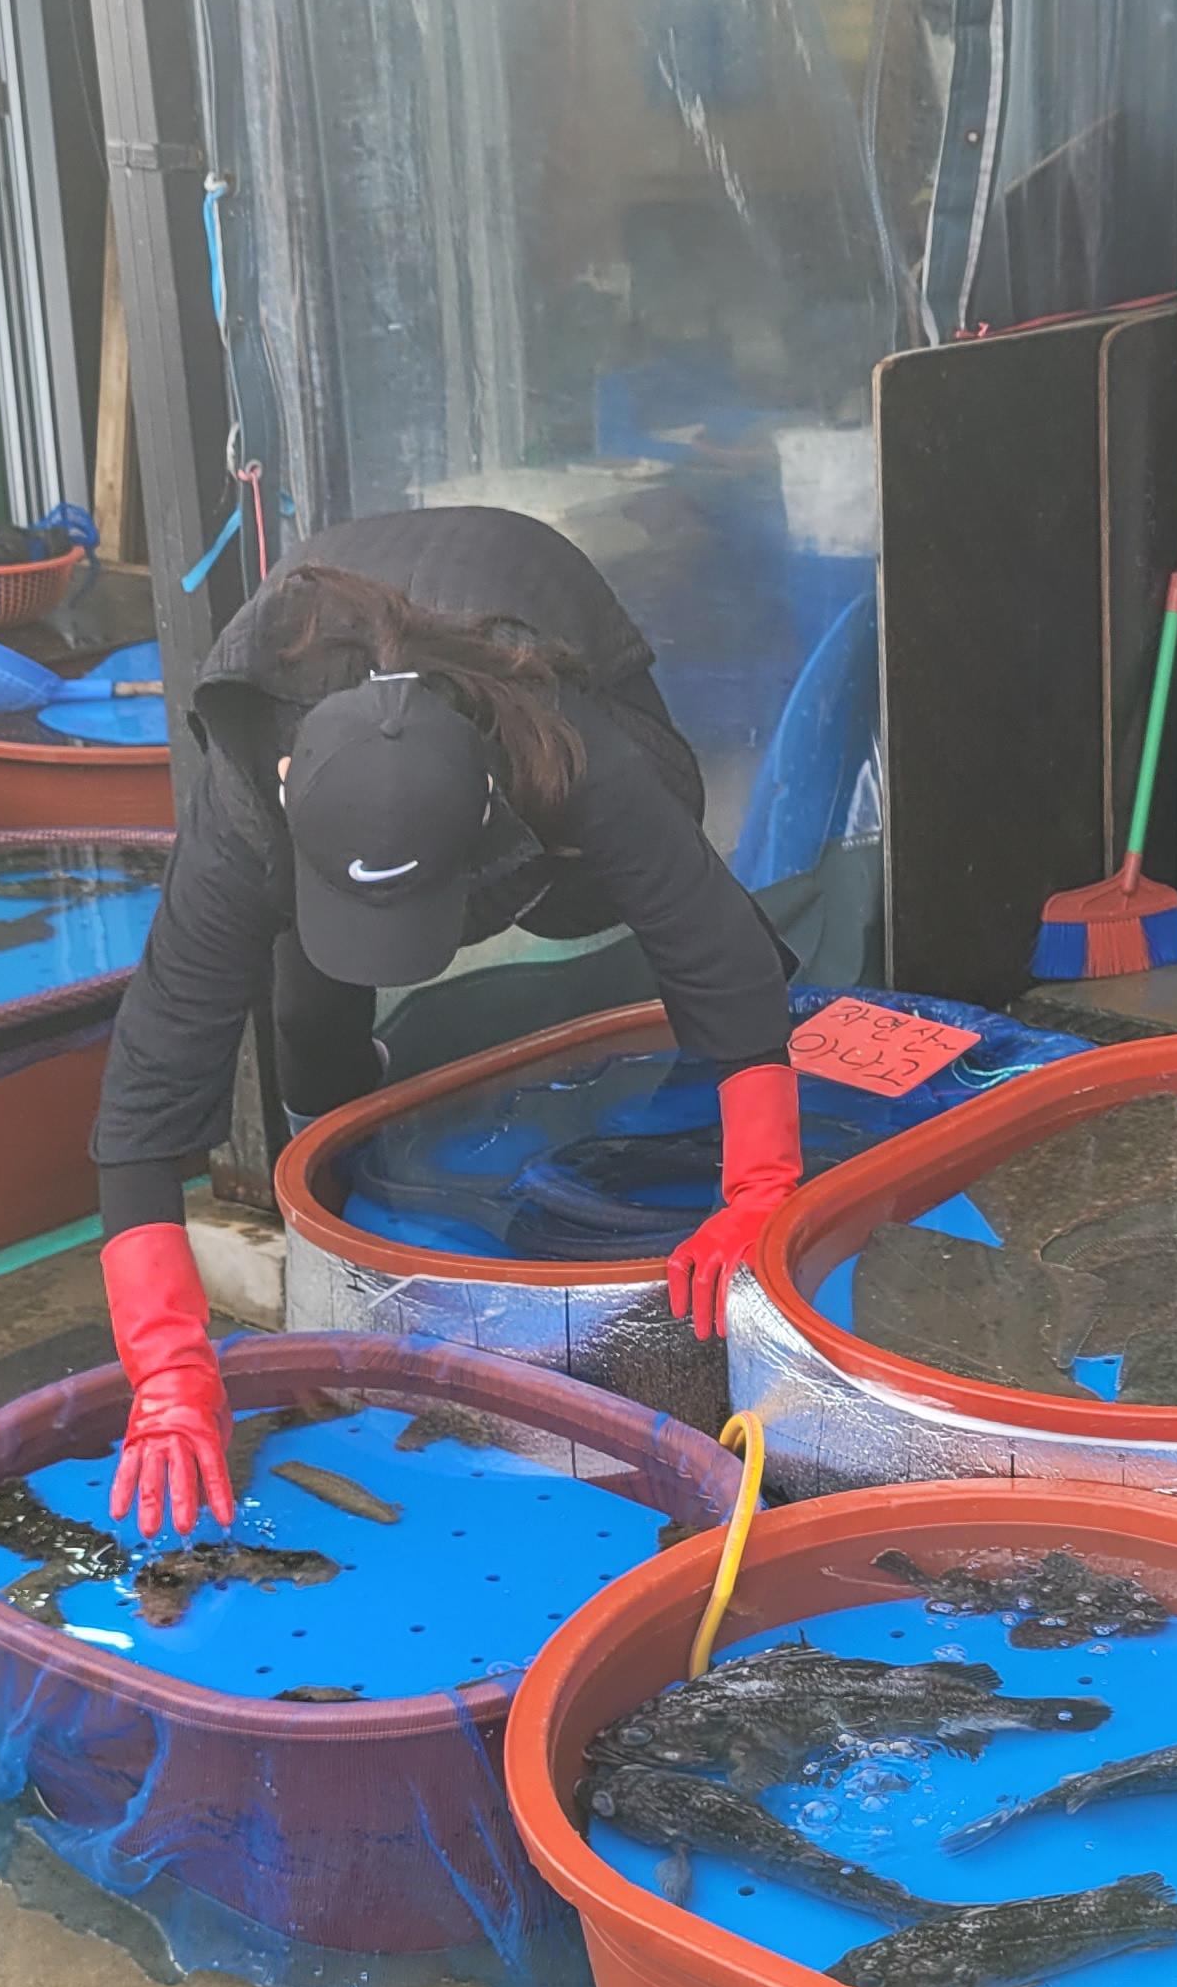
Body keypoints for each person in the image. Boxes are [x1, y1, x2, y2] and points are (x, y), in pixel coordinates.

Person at [91, 507, 801, 1539]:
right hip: (330, 704)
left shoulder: (567, 742)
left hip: (528, 600)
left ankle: (554, 903)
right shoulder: (245, 804)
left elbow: (714, 942)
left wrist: (762, 1187)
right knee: (307, 1005)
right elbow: (148, 1093)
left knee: (641, 867)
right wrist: (166, 1374)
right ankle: (343, 1175)